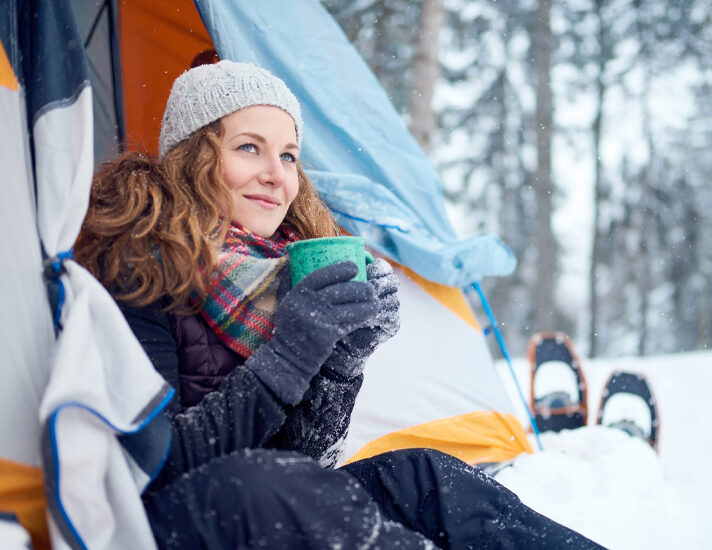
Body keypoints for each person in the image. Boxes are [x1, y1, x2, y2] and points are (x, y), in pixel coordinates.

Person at [76, 60, 605, 549]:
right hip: (158, 524)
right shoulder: (138, 268)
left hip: (263, 503)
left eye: (288, 155)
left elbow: (307, 461)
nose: (276, 175)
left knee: (420, 476)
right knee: (262, 482)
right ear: (192, 159)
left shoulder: (276, 271)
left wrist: (342, 359)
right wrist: (289, 355)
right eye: (248, 148)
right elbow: (156, 464)